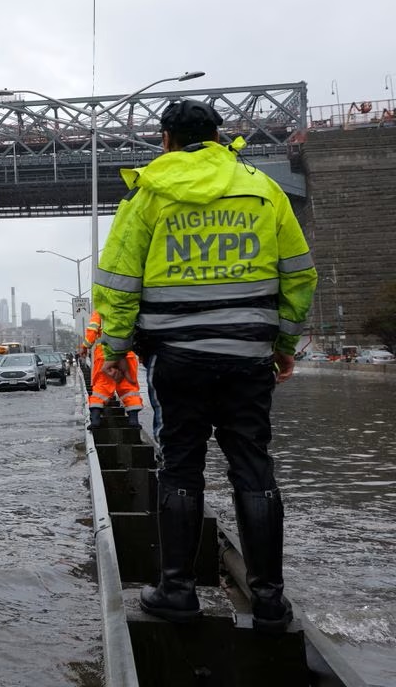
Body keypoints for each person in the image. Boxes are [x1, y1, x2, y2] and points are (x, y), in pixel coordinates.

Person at [93, 98, 317, 632]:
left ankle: (177, 591)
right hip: (247, 358)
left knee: (180, 467)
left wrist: (118, 352)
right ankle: (269, 602)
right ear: (219, 137)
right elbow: (299, 276)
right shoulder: (263, 190)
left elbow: (118, 285)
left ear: (165, 139)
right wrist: (284, 343)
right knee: (253, 467)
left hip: (177, 359)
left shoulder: (148, 193)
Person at [80, 309, 143, 430]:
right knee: (129, 387)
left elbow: (92, 331)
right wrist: (142, 353)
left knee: (101, 386)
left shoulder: (100, 312)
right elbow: (140, 331)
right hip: (126, 353)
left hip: (105, 355)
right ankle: (133, 420)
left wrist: (85, 347)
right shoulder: (130, 309)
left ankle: (96, 419)